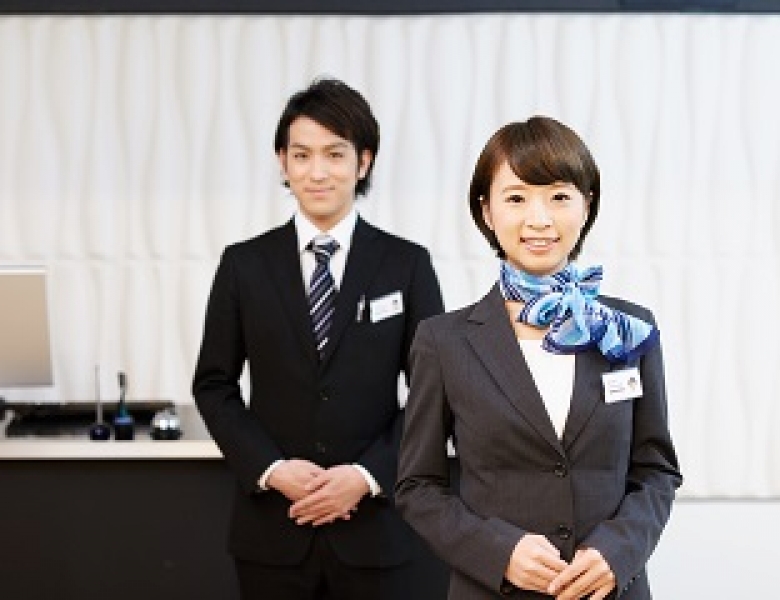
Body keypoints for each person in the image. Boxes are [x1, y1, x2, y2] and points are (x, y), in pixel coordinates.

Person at [395, 115, 682, 600]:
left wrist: (618, 551)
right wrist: (497, 552)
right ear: (486, 211)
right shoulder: (443, 341)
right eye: (516, 198)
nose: (539, 219)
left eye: (559, 197)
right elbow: (418, 487)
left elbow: (656, 470)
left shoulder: (628, 328)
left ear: (587, 205)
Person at [193, 77, 445, 600]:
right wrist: (271, 469)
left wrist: (366, 475)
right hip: (273, 530)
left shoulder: (406, 264)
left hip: (378, 532)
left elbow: (433, 394)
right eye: (302, 155)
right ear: (282, 162)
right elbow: (213, 386)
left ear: (364, 162)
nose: (317, 172)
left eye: (335, 154)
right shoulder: (243, 265)